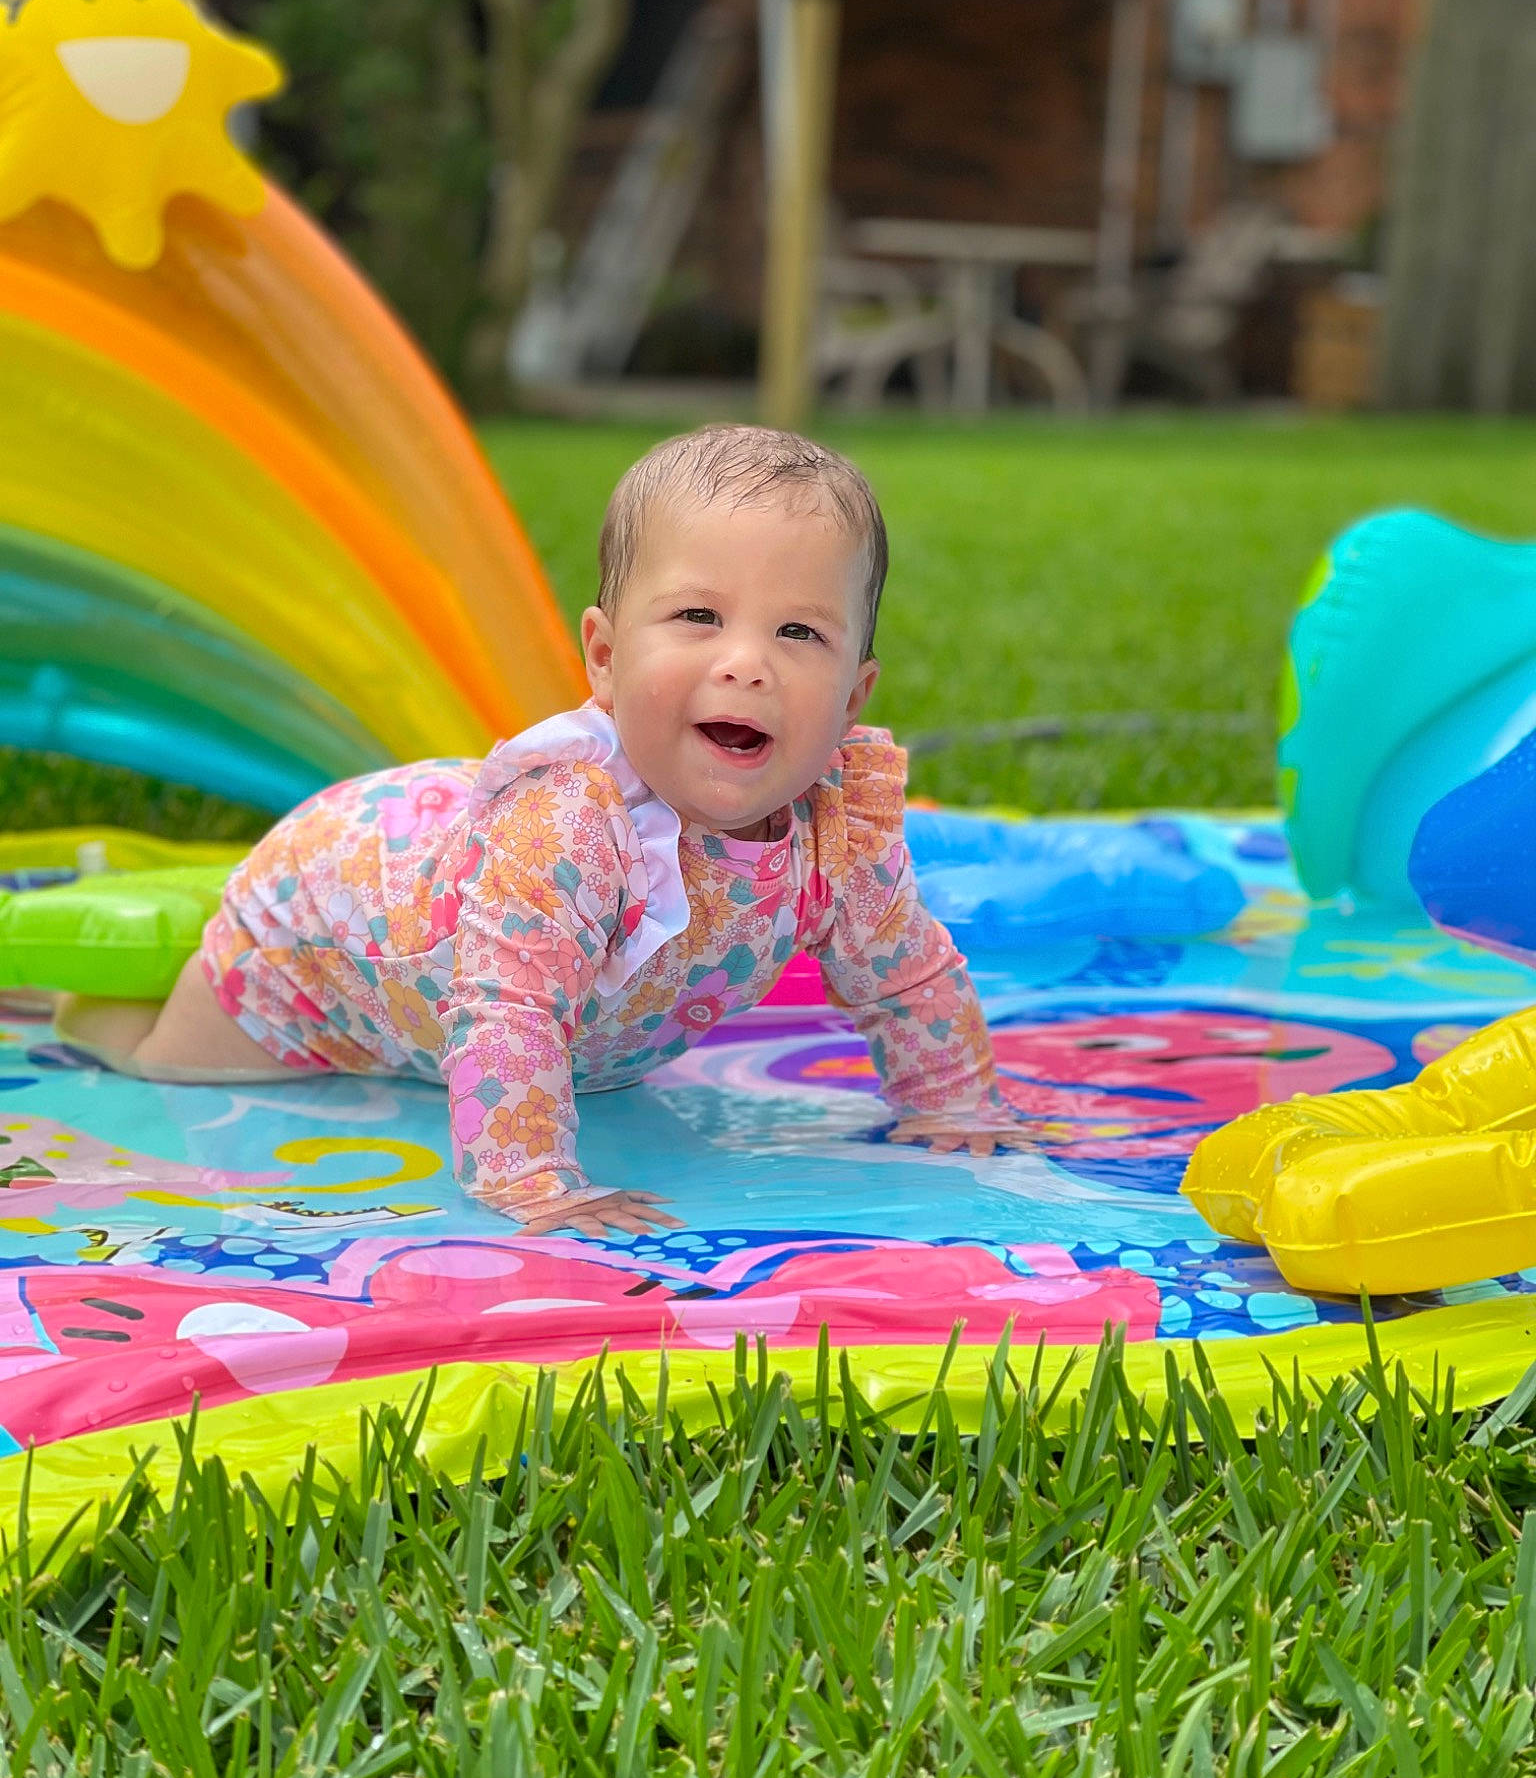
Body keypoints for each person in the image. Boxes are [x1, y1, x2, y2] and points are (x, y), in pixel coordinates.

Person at [58, 425, 1024, 1235]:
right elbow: (509, 1014)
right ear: (604, 657)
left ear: (853, 697)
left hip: (461, 998)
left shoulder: (837, 834)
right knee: (170, 1067)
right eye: (698, 615)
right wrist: (531, 1181)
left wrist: (952, 1104)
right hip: (318, 935)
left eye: (799, 633)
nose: (746, 663)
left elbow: (908, 976)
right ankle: (77, 1004)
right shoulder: (570, 827)